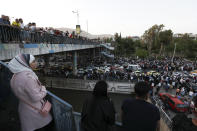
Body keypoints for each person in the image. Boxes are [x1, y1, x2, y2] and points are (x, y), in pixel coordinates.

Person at [9, 54, 52, 131]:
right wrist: (43, 89)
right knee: (39, 127)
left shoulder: (15, 76)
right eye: (33, 61)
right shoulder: (28, 77)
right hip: (35, 111)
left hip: (24, 107)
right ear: (25, 63)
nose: (36, 63)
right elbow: (36, 97)